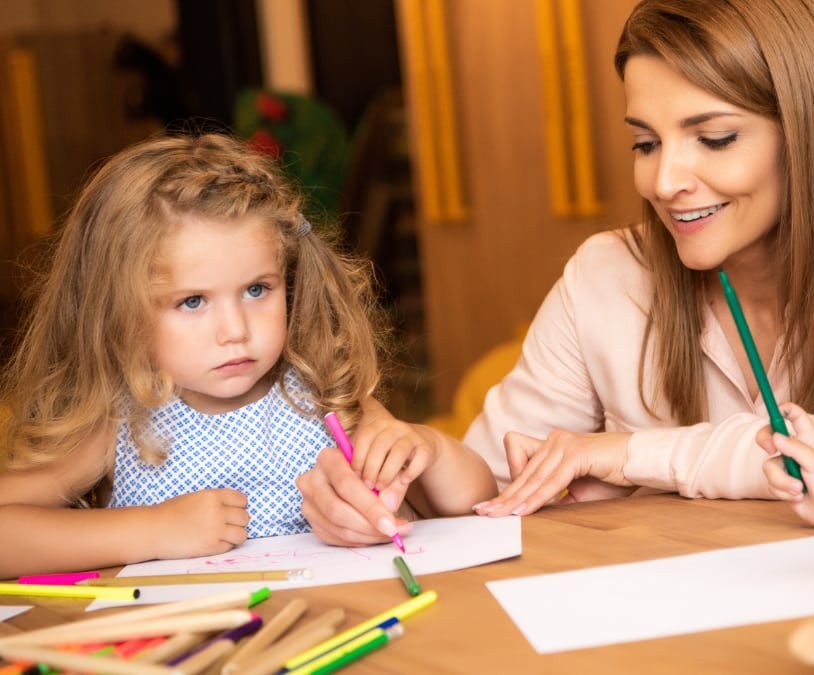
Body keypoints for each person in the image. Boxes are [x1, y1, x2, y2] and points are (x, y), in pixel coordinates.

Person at [298, 0, 814, 541]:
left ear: (810, 131)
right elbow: (498, 485)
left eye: (713, 138)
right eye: (645, 142)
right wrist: (416, 458)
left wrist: (628, 455)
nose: (665, 179)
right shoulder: (605, 275)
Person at [0, 133, 496, 578]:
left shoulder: (322, 397)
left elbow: (475, 502)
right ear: (119, 312)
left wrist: (426, 449)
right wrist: (152, 531)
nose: (235, 331)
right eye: (192, 301)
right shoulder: (122, 420)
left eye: (258, 289)